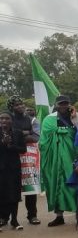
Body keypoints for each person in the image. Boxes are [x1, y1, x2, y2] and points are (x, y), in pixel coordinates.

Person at [40, 95, 78, 226]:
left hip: (71, 156)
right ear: (56, 105)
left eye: (66, 103)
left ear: (69, 104)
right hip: (55, 158)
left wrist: (74, 119)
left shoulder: (75, 117)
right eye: (61, 104)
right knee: (56, 183)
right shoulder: (49, 119)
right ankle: (59, 216)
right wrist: (65, 130)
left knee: (73, 183)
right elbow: (45, 135)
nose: (63, 106)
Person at [8, 96, 40, 226]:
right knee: (11, 187)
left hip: (30, 157)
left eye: (21, 103)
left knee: (30, 186)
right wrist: (25, 133)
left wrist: (18, 135)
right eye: (16, 105)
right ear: (11, 107)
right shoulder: (8, 119)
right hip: (13, 155)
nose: (20, 106)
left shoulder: (32, 120)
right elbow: (7, 136)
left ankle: (32, 215)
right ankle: (8, 217)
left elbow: (36, 137)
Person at [0, 111, 26, 230]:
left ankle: (14, 220)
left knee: (14, 194)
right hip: (1, 169)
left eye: (6, 118)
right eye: (1, 118)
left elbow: (23, 149)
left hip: (14, 169)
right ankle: (2, 218)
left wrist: (10, 145)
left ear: (11, 120)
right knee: (2, 193)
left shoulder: (18, 133)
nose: (4, 121)